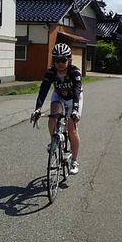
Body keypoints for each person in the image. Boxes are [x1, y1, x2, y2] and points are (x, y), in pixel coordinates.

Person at [31, 43, 83, 174]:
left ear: (69, 59)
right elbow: (43, 90)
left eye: (63, 59)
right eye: (56, 60)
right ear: (53, 60)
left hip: (73, 99)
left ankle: (74, 161)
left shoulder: (75, 72)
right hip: (59, 95)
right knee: (53, 115)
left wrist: (75, 110)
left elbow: (77, 91)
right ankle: (54, 140)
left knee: (72, 129)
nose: (60, 63)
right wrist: (38, 108)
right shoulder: (50, 72)